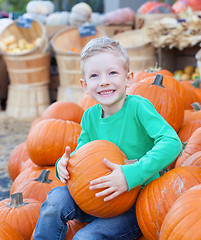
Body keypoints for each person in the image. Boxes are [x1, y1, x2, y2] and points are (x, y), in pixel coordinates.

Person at [33, 37, 182, 240]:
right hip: (95, 194)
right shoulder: (90, 116)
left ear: (128, 78)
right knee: (55, 201)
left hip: (134, 203)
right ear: (84, 85)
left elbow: (171, 142)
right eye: (95, 76)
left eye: (112, 73)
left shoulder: (139, 107)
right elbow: (82, 156)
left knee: (85, 238)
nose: (104, 81)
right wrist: (64, 165)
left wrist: (130, 175)